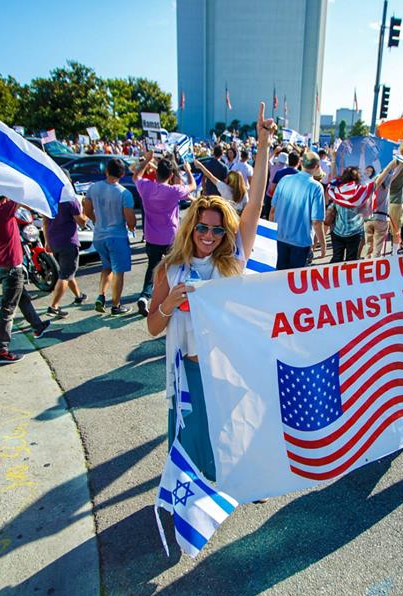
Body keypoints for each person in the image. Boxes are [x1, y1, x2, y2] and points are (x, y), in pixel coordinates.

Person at [146, 102, 275, 481]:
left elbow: (253, 206)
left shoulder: (232, 262)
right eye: (202, 228)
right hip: (190, 373)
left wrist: (263, 148)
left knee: (235, 443)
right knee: (196, 455)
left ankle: (240, 486)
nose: (208, 235)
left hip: (230, 369)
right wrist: (169, 303)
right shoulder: (169, 270)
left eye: (217, 230)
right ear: (191, 228)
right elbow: (154, 328)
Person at [0, 193, 54, 364]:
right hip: (13, 266)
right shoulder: (3, 211)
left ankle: (38, 326)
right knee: (8, 310)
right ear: (4, 199)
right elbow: (21, 196)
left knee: (23, 298)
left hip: (1, 265)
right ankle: (1, 351)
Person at [134, 152, 196, 317]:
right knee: (175, 267)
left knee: (152, 268)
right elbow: (192, 186)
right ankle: (174, 298)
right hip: (170, 236)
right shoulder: (173, 191)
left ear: (156, 172)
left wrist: (146, 161)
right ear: (170, 175)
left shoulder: (146, 187)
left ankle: (145, 296)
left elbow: (136, 176)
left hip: (152, 236)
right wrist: (189, 170)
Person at [85, 159, 136, 315]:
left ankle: (101, 295)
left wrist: (96, 220)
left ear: (107, 171)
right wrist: (132, 227)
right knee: (118, 271)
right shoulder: (124, 193)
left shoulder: (93, 188)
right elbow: (130, 219)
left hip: (99, 234)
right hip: (117, 235)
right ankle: (116, 304)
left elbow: (87, 210)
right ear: (122, 173)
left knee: (106, 267)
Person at [271, 150, 325, 269]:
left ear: (301, 162)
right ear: (317, 167)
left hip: (280, 237)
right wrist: (323, 244)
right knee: (294, 282)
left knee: (277, 278)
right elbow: (316, 222)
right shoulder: (316, 187)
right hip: (301, 242)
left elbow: (272, 210)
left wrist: (271, 232)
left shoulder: (285, 179)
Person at [43, 197, 87, 317]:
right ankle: (54, 306)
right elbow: (82, 222)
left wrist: (47, 242)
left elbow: (45, 222)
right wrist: (85, 209)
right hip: (68, 242)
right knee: (65, 275)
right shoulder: (71, 201)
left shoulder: (49, 200)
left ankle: (79, 296)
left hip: (54, 241)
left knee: (67, 271)